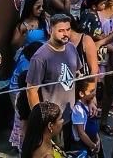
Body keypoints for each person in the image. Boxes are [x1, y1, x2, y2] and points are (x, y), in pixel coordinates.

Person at [26, 14, 83, 142]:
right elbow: (31, 91)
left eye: (68, 29)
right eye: (61, 30)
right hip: (52, 121)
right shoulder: (40, 57)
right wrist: (41, 120)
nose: (66, 34)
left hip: (71, 114)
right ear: (50, 30)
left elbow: (77, 73)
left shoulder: (71, 48)